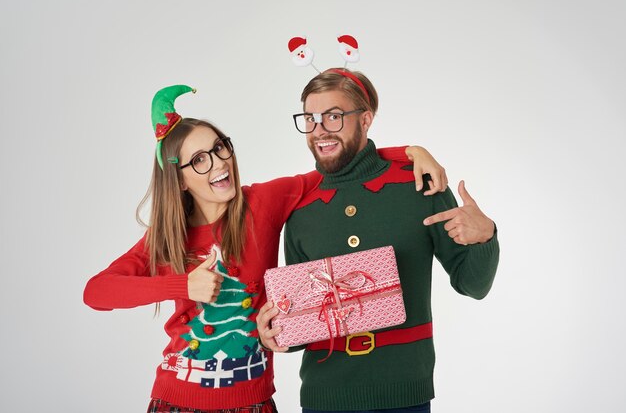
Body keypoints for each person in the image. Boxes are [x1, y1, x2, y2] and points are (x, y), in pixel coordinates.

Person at [83, 84, 449, 413]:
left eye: (219, 147)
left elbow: (339, 164)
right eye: (199, 160)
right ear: (178, 179)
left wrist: (410, 152)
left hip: (253, 402)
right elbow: (96, 292)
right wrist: (182, 285)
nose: (218, 163)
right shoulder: (167, 239)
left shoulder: (262, 204)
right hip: (178, 400)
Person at [256, 69, 500, 413]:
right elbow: (306, 315)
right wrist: (277, 333)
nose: (319, 129)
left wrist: (485, 235)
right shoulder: (302, 209)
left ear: (366, 119)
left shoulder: (420, 185)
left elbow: (473, 285)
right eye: (310, 118)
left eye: (334, 116)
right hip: (323, 397)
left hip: (404, 394)